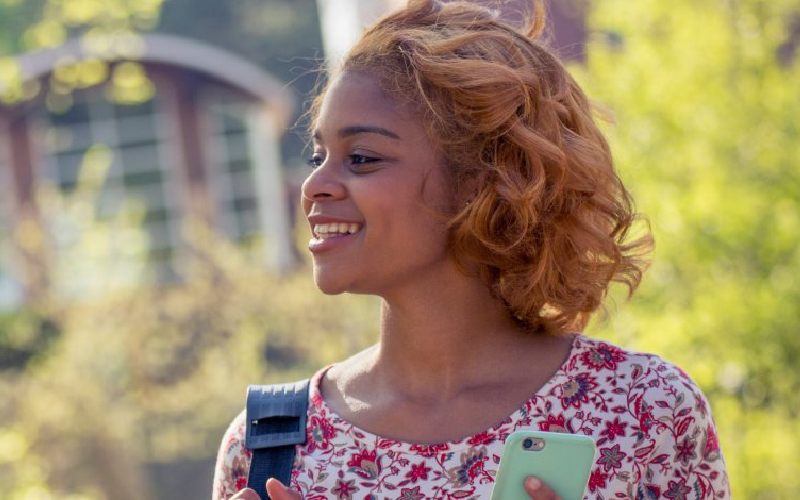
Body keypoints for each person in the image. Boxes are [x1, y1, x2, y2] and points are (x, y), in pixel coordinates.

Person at [212, 0, 730, 498]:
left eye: (363, 158)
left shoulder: (643, 410)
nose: (314, 186)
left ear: (484, 181)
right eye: (318, 154)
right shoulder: (265, 450)